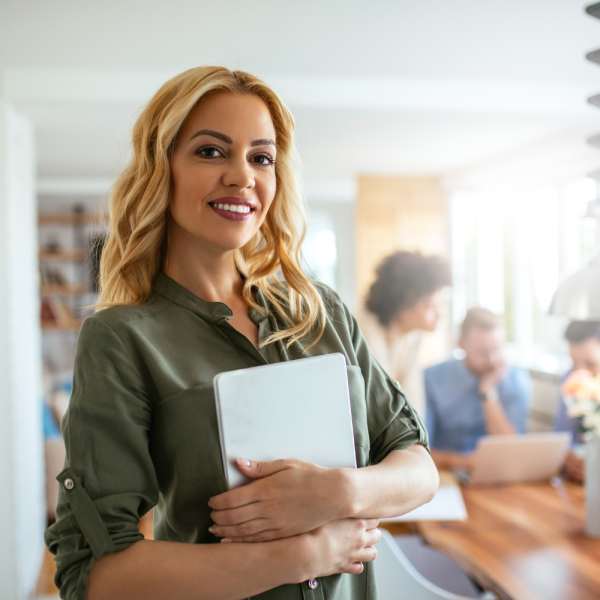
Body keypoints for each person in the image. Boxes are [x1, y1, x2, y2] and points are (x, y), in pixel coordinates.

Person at [44, 67, 438, 600]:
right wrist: (299, 557)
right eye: (211, 152)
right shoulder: (121, 338)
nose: (242, 176)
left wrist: (337, 492)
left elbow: (417, 465)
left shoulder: (321, 311)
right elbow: (95, 575)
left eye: (262, 157)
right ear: (164, 169)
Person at [425, 307, 532, 471]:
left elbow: (513, 449)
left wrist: (488, 392)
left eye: (496, 350)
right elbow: (418, 451)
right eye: (482, 352)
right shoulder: (431, 379)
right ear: (460, 344)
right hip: (444, 473)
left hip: (497, 473)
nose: (492, 360)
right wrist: (463, 462)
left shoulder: (517, 380)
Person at [358, 251, 452, 416]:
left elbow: (412, 401)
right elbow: (378, 403)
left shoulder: (412, 334)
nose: (440, 314)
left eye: (441, 304)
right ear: (401, 305)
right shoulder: (365, 330)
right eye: (429, 306)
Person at [554, 321, 600, 483]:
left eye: (590, 364)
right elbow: (563, 438)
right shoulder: (570, 382)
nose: (579, 372)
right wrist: (570, 460)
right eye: (573, 361)